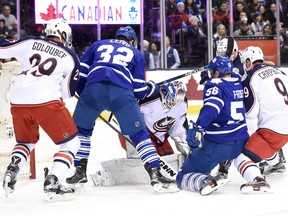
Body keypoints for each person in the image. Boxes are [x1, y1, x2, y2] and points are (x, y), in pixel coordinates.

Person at [66, 26, 177, 193]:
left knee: (82, 131)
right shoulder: (137, 54)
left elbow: (81, 72)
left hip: (93, 91)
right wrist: (151, 88)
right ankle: (154, 172)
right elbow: (139, 92)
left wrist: (84, 95)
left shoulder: (98, 44)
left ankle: (80, 171)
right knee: (139, 135)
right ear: (132, 41)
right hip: (121, 95)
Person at [1, 18, 80, 200]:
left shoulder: (29, 41)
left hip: (18, 101)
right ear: (64, 35)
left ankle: (13, 169)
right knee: (71, 143)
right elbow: (67, 93)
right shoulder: (70, 56)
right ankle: (53, 182)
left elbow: (3, 49)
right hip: (47, 102)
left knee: (25, 142)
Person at [176, 55, 249, 196]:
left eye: (213, 72)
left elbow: (211, 108)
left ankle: (206, 181)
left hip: (218, 145)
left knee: (182, 176)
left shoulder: (214, 85)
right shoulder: (238, 81)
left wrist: (198, 127)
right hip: (241, 143)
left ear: (216, 73)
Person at [234, 46, 288, 193]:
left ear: (248, 61)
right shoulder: (281, 72)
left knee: (240, 157)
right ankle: (276, 164)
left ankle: (257, 180)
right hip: (283, 127)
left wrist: (250, 139)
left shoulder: (250, 77)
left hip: (274, 131)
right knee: (267, 144)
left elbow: (251, 113)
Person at [119, 80, 190, 158]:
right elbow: (127, 105)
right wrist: (143, 89)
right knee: (146, 156)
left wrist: (186, 145)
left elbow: (178, 128)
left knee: (168, 157)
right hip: (139, 133)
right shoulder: (148, 98)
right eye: (170, 100)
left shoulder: (182, 104)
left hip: (159, 138)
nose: (173, 104)